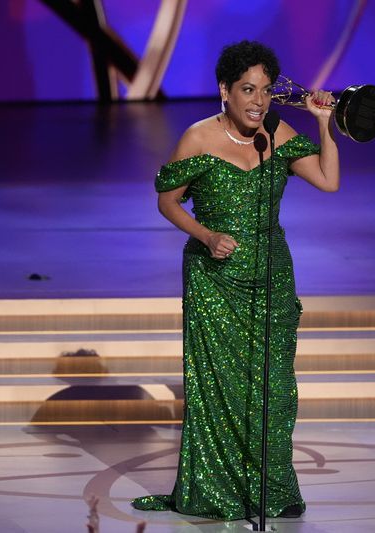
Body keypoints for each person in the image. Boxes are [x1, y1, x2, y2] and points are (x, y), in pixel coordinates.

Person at [132, 40, 339, 521]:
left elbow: (328, 180)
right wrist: (205, 236)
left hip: (271, 275)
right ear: (225, 90)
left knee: (275, 387)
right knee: (223, 386)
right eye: (248, 89)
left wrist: (324, 123)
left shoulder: (277, 133)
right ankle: (220, 490)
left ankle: (270, 490)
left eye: (265, 91)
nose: (258, 101)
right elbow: (167, 200)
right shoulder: (198, 138)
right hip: (216, 279)